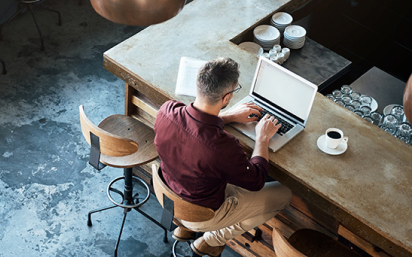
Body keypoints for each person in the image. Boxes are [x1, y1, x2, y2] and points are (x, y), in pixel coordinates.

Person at [154, 57, 292, 257]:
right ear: (227, 98)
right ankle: (211, 239)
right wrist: (262, 137)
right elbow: (256, 180)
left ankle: (185, 225)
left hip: (170, 193)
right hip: (204, 212)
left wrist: (227, 117)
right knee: (284, 194)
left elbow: (194, 130)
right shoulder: (223, 147)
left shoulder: (167, 111)